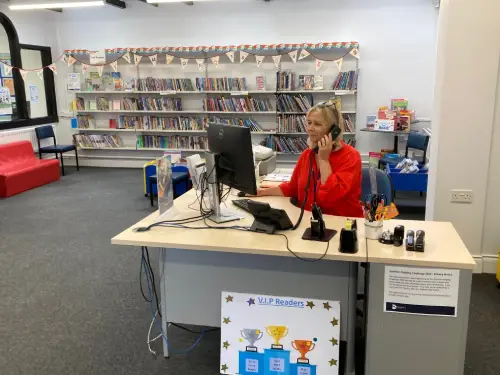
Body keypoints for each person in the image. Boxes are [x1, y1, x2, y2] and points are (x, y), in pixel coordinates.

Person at [256, 101, 363, 217]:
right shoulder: (307, 155)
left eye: (317, 124)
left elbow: (331, 198)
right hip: (310, 222)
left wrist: (323, 160)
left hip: (342, 224)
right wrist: (260, 192)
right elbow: (292, 188)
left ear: (333, 130)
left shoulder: (351, 156)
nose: (310, 128)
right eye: (309, 123)